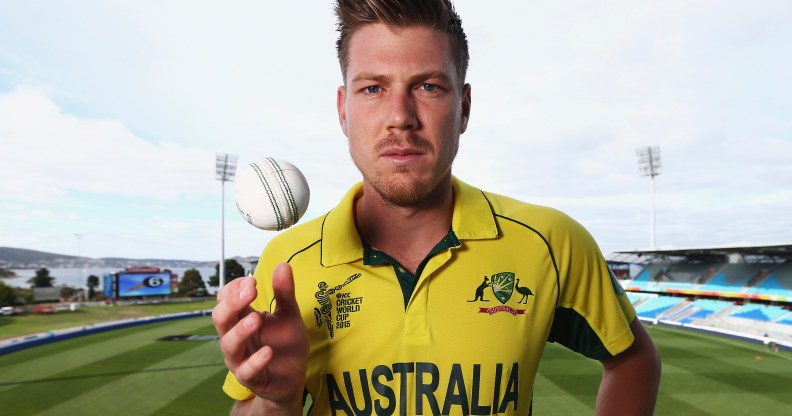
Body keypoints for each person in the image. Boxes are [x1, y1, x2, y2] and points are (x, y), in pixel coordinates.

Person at [212, 1, 661, 415]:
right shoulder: (286, 266)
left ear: (463, 107)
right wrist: (278, 400)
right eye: (372, 88)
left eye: (428, 86)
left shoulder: (552, 242)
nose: (400, 116)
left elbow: (633, 359)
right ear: (343, 110)